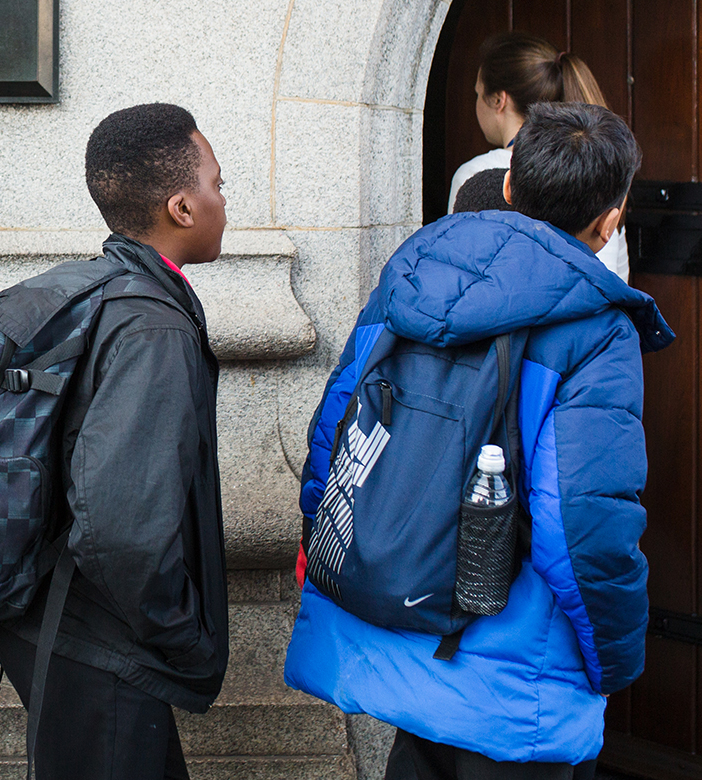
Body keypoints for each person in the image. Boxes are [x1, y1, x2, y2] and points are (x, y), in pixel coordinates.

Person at [286, 102, 677, 779]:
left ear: (506, 186)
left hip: (401, 643)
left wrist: (327, 561)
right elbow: (579, 523)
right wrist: (614, 658)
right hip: (515, 683)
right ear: (611, 219)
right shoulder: (598, 330)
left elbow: (334, 439)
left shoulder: (408, 278)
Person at [0, 102, 230, 780]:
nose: (222, 199)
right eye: (217, 183)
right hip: (103, 641)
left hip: (60, 621)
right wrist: (179, 631)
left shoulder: (104, 292)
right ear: (181, 206)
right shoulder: (152, 326)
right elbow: (124, 525)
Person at [448, 32, 629, 281]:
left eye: (478, 93)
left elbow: (457, 276)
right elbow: (617, 276)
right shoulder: (597, 169)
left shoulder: (477, 175)